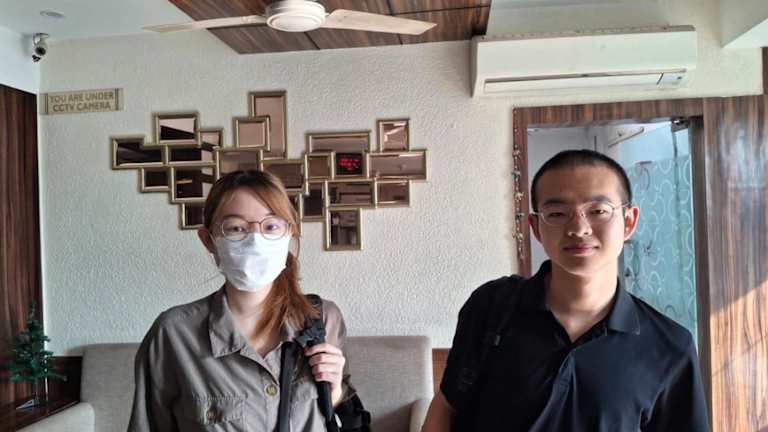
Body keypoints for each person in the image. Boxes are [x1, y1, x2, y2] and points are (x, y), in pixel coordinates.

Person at [422, 150, 710, 431]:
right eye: (557, 213)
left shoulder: (669, 347)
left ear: (629, 221)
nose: (578, 228)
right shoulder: (491, 305)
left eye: (598, 211)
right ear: (536, 227)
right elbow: (447, 406)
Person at [129, 170, 353, 431]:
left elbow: (341, 416)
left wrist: (334, 394)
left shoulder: (323, 318)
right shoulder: (173, 334)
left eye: (271, 226)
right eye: (236, 228)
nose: (255, 240)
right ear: (208, 240)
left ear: (288, 233)